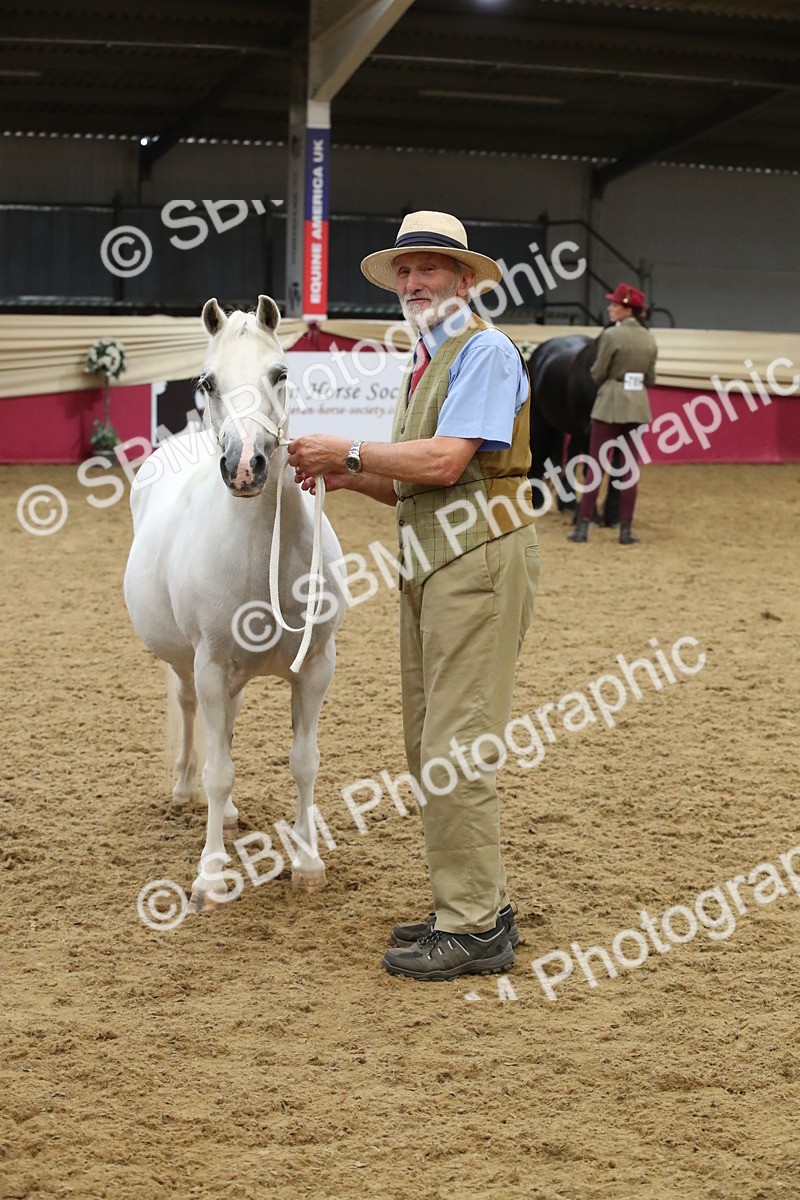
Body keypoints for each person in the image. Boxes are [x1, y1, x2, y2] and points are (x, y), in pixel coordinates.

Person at [287, 211, 540, 981]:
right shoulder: (429, 359)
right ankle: (472, 903)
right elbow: (409, 485)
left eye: (428, 268)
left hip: (478, 562)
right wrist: (348, 475)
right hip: (434, 564)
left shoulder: (485, 351)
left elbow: (442, 462)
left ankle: (472, 928)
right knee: (429, 744)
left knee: (454, 747)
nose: (413, 282)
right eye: (404, 270)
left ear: (465, 279)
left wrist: (351, 448)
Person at [569, 283, 658, 545]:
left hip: (610, 404)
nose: (610, 307)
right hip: (638, 406)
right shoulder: (649, 338)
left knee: (596, 466)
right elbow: (651, 379)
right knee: (628, 470)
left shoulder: (611, 336)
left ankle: (583, 526)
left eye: (615, 304)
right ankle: (626, 529)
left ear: (628, 308)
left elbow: (598, 373)